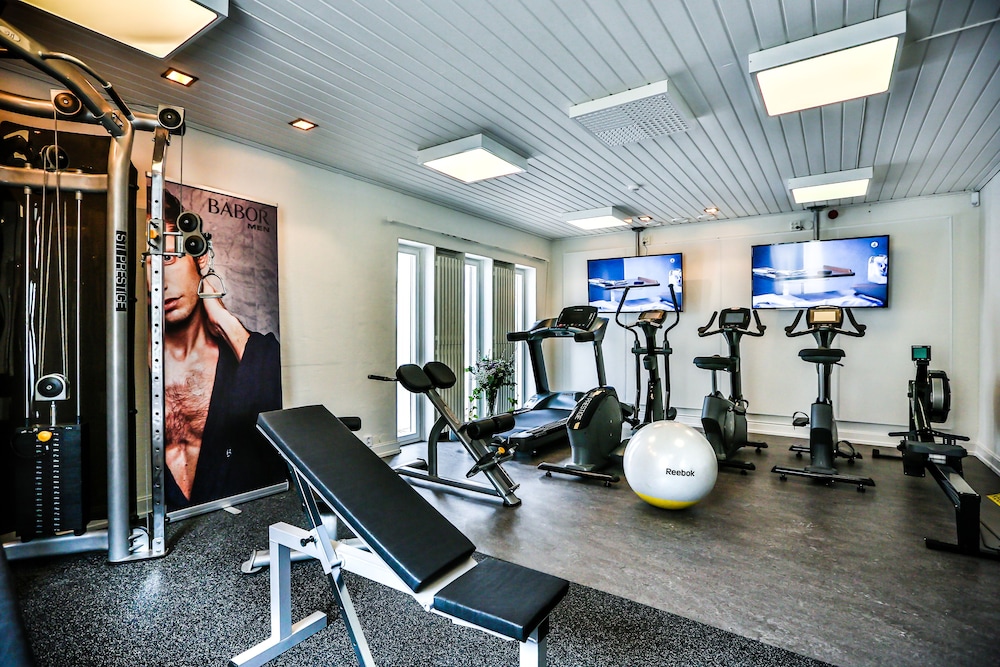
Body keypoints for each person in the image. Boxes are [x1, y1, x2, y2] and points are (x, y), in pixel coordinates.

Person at [150, 191, 285, 510]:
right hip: (170, 526)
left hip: (242, 517)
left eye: (168, 258)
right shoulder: (125, 369)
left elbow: (274, 409)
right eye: (148, 264)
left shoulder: (253, 354)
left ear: (200, 258)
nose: (159, 283)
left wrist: (224, 319)